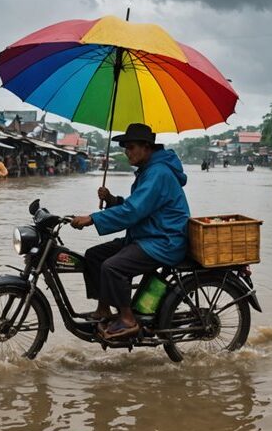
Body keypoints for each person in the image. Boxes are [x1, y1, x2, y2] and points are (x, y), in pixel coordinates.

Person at [70, 123, 190, 341]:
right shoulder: (149, 171)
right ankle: (104, 309)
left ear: (146, 147)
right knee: (95, 256)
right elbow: (138, 205)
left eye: (131, 147)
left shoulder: (158, 173)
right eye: (125, 148)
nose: (127, 152)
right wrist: (112, 200)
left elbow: (134, 211)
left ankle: (127, 319)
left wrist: (92, 219)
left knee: (113, 267)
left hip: (164, 240)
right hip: (147, 235)